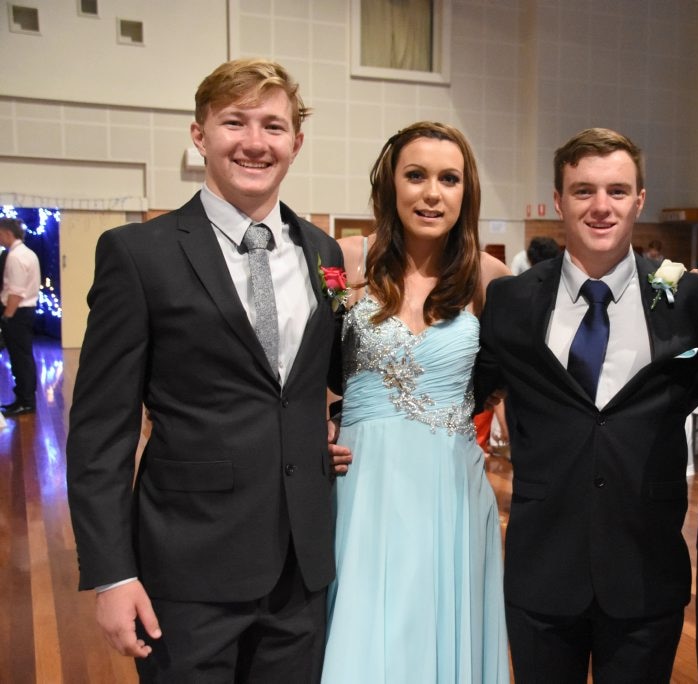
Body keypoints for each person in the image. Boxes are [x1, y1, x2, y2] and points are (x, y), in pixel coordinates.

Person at [66, 58, 346, 682]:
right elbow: (100, 431)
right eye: (233, 122)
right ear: (200, 135)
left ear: (296, 143)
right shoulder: (139, 255)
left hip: (301, 568)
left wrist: (335, 425)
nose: (254, 142)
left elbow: (323, 378)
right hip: (187, 571)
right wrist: (112, 573)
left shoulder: (322, 253)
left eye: (273, 126)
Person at [476, 127, 698, 682]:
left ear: (639, 200)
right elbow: (467, 391)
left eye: (617, 190)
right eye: (583, 191)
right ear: (558, 201)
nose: (601, 206)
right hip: (542, 569)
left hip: (645, 570)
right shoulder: (511, 302)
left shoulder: (687, 300)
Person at [323, 121, 510, 683]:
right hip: (361, 483)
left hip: (450, 487)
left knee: (437, 627)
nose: (432, 192)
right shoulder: (346, 263)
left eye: (448, 178)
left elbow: (508, 378)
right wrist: (316, 428)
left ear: (465, 191)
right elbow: (301, 363)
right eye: (416, 176)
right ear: (390, 185)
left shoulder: (488, 278)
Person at [0, 217, 41, 416]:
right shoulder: (29, 253)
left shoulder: (15, 257)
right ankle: (25, 398)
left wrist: (6, 317)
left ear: (8, 233)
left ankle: (25, 400)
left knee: (19, 358)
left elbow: (15, 292)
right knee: (23, 357)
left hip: (17, 312)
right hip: (26, 311)